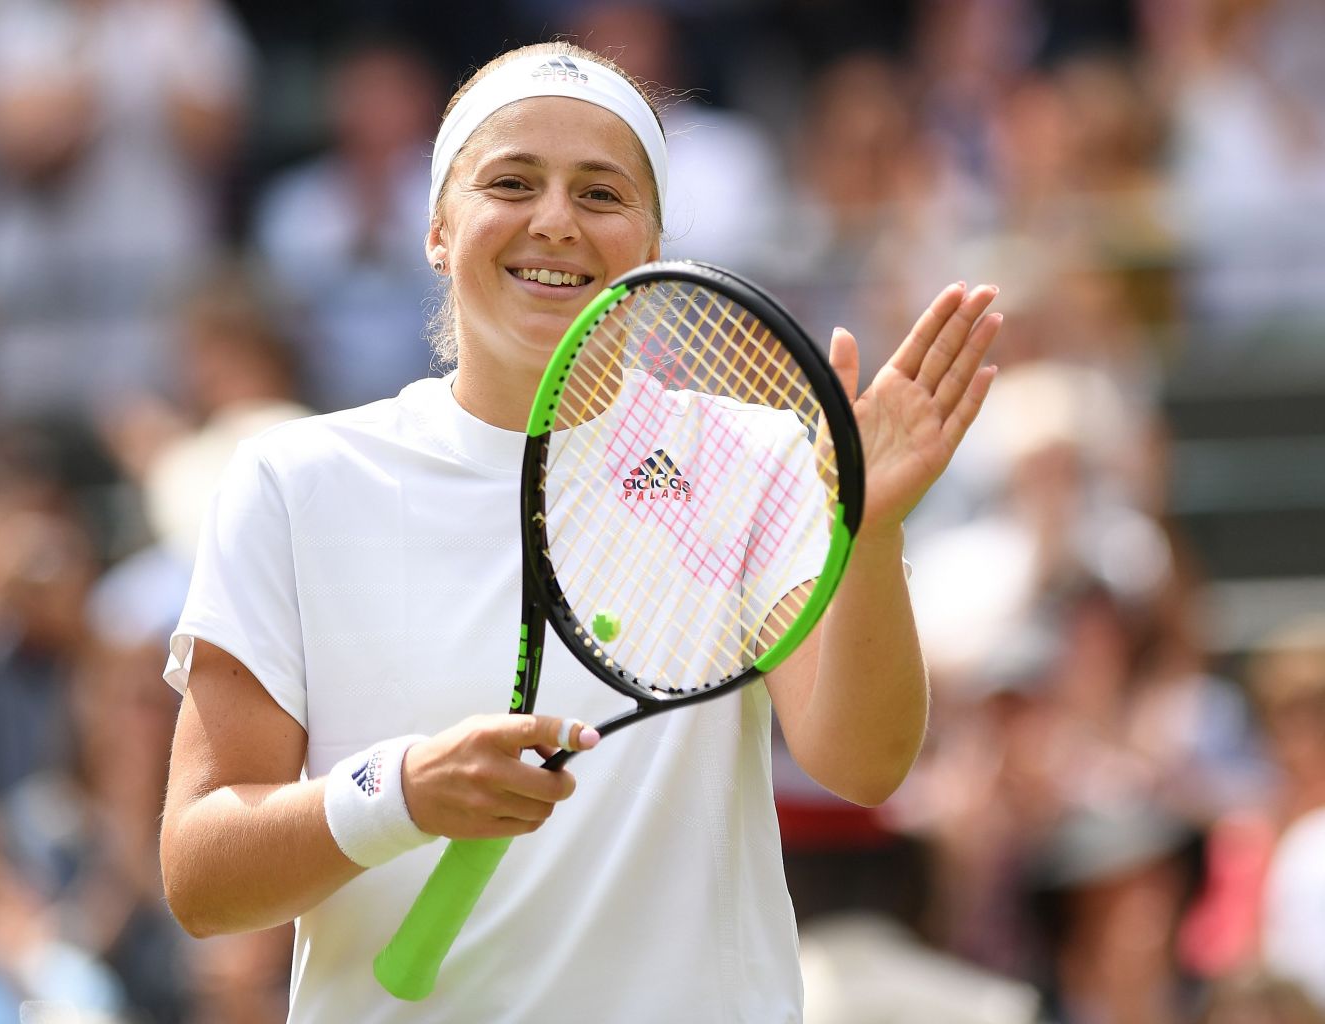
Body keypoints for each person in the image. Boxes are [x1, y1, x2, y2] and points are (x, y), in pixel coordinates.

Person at [159, 41, 1002, 1022]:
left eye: (600, 194)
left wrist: (872, 533)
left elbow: (865, 763)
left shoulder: (755, 456)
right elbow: (201, 877)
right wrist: (400, 794)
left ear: (650, 244)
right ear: (437, 229)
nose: (556, 220)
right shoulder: (292, 482)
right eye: (512, 182)